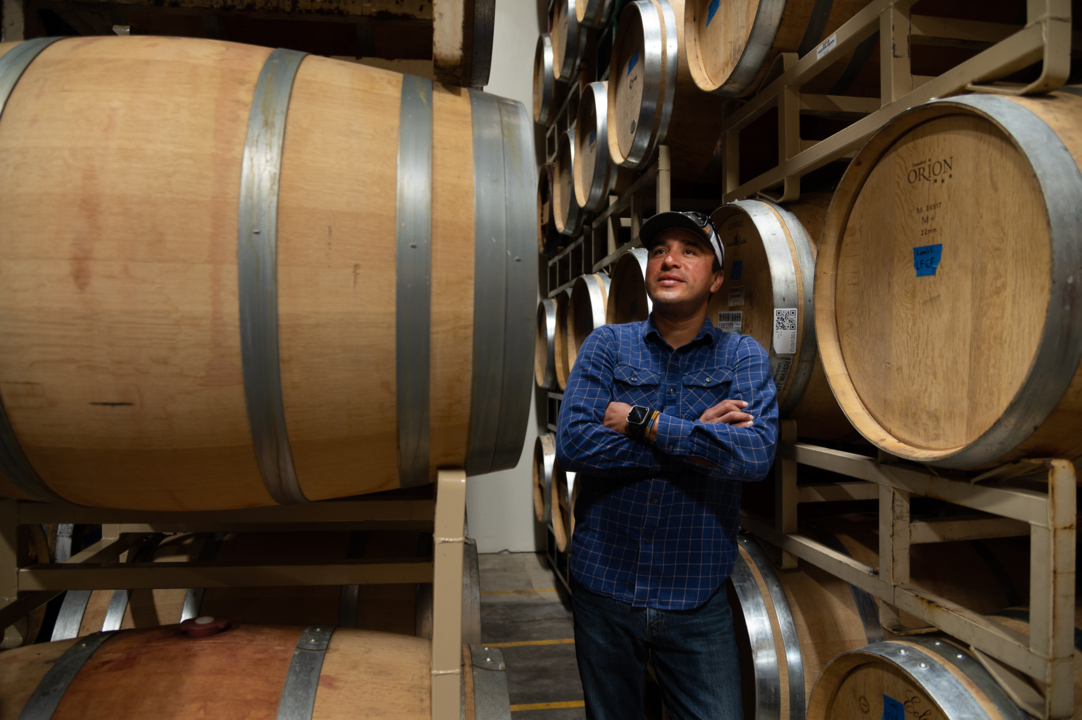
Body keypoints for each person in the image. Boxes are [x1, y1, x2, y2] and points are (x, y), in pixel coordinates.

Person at [555, 210, 780, 720]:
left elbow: (753, 456)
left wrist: (648, 422)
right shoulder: (607, 346)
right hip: (604, 585)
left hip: (695, 595)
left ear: (717, 279)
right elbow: (573, 443)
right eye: (659, 250)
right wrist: (699, 434)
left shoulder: (742, 357)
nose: (669, 259)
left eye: (690, 250)